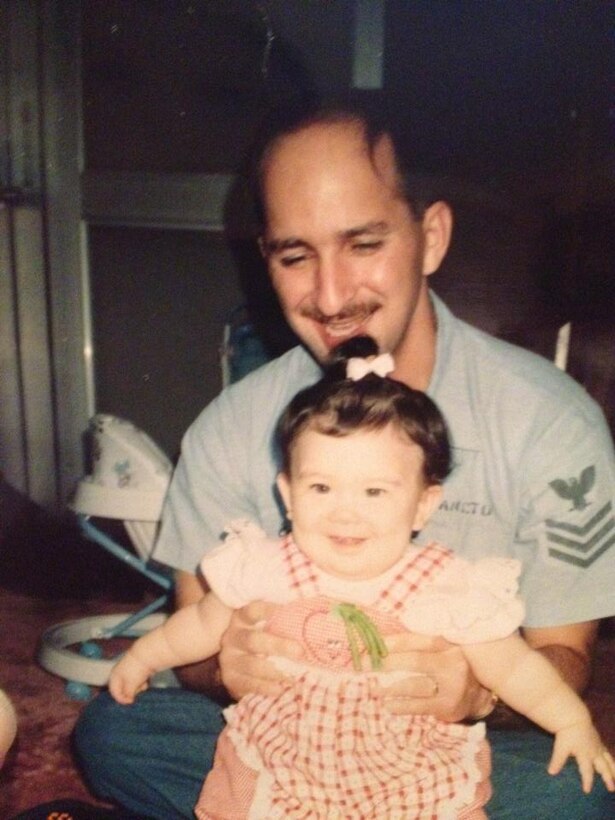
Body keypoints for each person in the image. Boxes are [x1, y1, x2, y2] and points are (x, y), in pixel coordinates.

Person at [74, 104, 615, 819]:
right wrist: (224, 666)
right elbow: (194, 634)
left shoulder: (549, 420)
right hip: (288, 736)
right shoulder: (227, 430)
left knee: (576, 797)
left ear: (430, 238)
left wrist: (475, 691)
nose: (330, 297)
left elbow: (563, 659)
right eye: (294, 256)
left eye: (362, 244)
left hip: (443, 747)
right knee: (112, 733)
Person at [107, 337, 615, 818]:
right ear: (288, 494)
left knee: (576, 794)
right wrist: (143, 657)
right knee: (115, 729)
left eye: (374, 492)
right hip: (285, 761)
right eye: (321, 488)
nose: (345, 513)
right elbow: (199, 624)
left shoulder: (445, 587)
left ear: (424, 504)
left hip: (405, 774)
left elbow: (516, 669)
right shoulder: (263, 566)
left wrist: (572, 722)